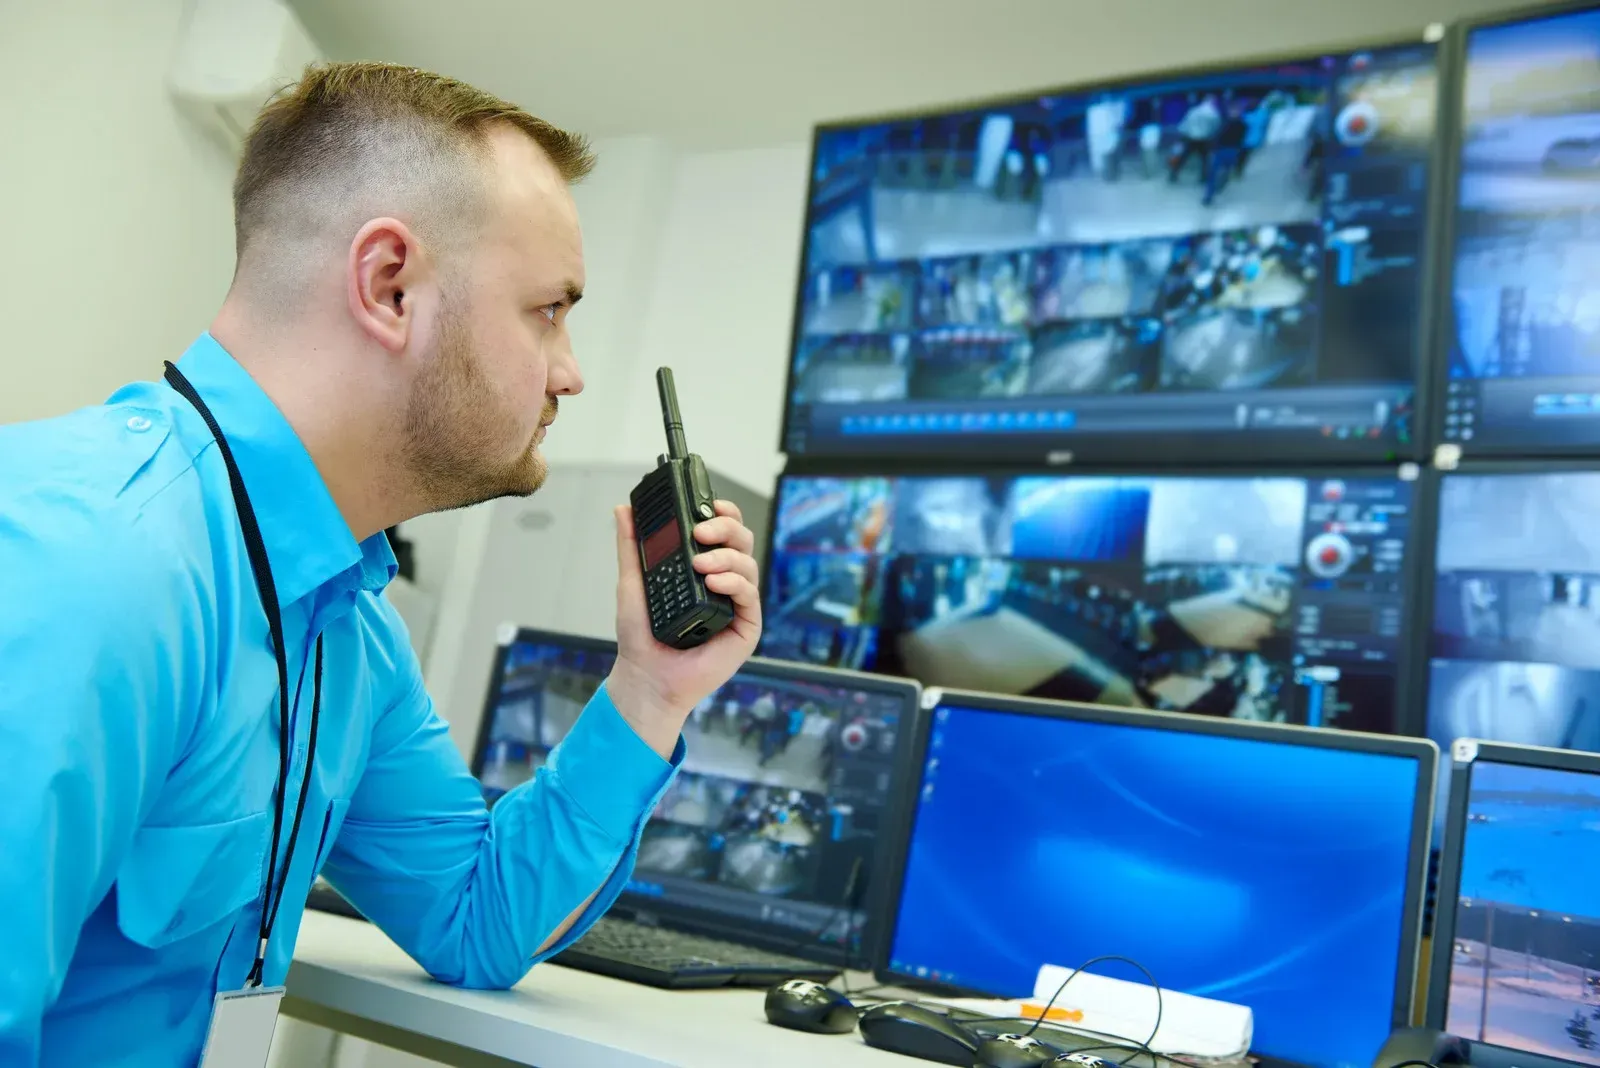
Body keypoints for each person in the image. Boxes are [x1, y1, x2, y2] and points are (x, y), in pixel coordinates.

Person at [0, 62, 763, 1066]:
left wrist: (650, 690)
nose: (570, 370)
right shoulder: (88, 566)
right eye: (548, 310)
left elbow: (471, 916)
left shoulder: (345, 624)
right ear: (388, 286)